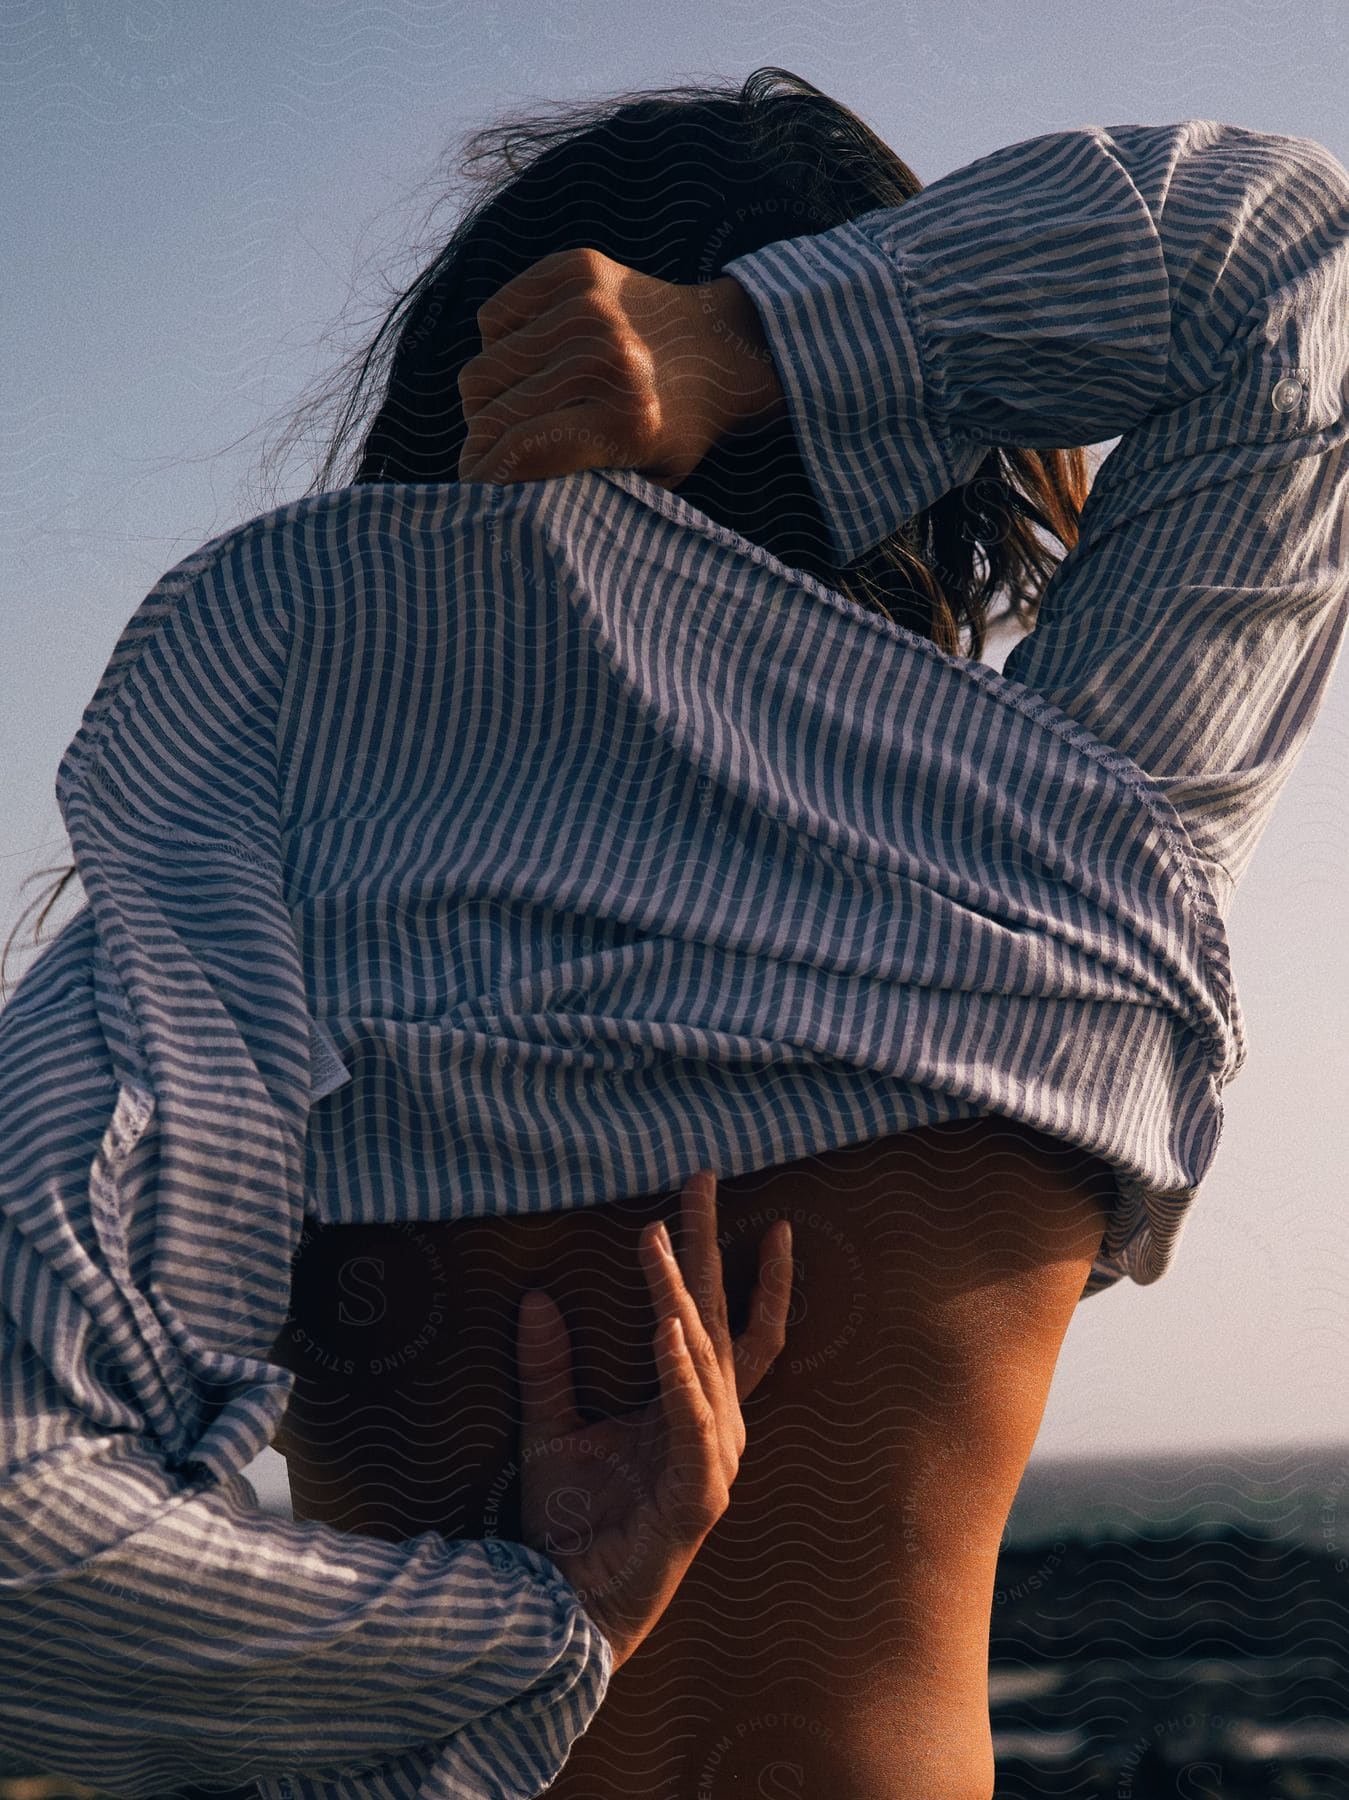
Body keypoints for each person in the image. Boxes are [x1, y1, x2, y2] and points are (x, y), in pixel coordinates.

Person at [1, 63, 1345, 1800]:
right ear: (945, 478)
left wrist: (529, 1621)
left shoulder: (247, 909)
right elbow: (1284, 259)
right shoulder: (1071, 841)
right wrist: (758, 341)